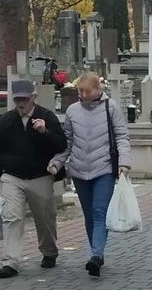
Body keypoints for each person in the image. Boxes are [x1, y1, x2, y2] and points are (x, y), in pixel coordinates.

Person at [48, 72, 131, 277]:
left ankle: (95, 255)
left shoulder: (110, 107)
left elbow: (121, 136)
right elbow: (67, 141)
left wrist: (124, 163)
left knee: (99, 212)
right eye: (80, 90)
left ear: (98, 90)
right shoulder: (73, 111)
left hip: (103, 168)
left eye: (86, 91)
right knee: (88, 215)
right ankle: (97, 251)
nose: (82, 94)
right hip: (79, 169)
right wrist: (57, 162)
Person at [0, 79, 67, 279]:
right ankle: (10, 262)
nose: (21, 104)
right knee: (12, 217)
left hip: (40, 176)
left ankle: (49, 252)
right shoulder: (6, 120)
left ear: (34, 98)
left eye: (24, 99)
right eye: (17, 100)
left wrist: (44, 132)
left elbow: (61, 145)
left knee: (45, 218)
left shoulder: (47, 116)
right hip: (12, 177)